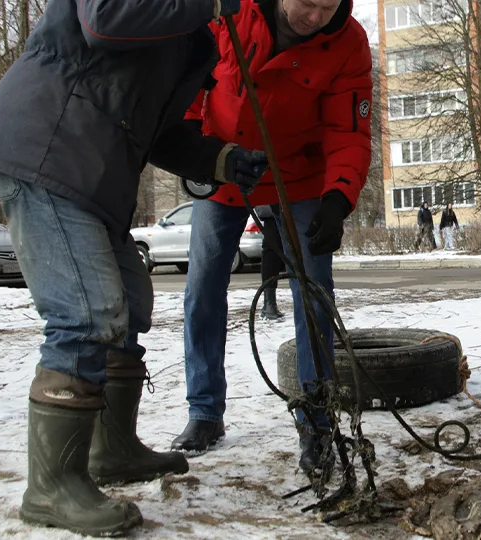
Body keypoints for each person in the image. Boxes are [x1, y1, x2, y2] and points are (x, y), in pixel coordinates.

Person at [0, 0, 269, 536]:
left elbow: (157, 129)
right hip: (45, 148)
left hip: (92, 174)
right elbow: (104, 20)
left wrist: (221, 158)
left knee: (128, 305)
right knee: (85, 314)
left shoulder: (191, 32)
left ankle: (113, 449)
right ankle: (52, 486)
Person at [170, 0, 372, 479]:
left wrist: (338, 199)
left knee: (314, 295)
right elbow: (185, 91)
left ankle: (317, 422)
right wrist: (199, 156)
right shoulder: (226, 14)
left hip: (299, 178)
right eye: (308, 4)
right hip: (223, 169)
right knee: (202, 289)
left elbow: (347, 130)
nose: (316, 18)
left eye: (328, 7)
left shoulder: (347, 42)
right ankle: (204, 411)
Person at [256, 204, 286, 320]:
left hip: (275, 206)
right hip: (273, 206)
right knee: (272, 252)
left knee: (272, 251)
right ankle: (269, 303)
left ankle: (269, 304)